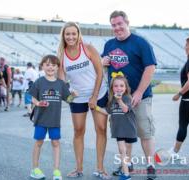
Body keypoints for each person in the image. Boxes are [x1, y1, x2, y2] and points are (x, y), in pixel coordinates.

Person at [102, 11, 157, 179]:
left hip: (139, 96)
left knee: (144, 131)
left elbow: (150, 68)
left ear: (127, 23)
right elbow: (105, 68)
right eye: (113, 25)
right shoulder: (109, 44)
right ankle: (127, 164)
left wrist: (139, 91)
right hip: (119, 98)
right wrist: (102, 61)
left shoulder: (141, 43)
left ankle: (150, 165)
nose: (117, 28)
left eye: (119, 24)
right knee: (125, 132)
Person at [57, 22, 110, 179]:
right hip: (78, 98)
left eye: (74, 33)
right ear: (64, 36)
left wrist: (93, 97)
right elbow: (62, 83)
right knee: (78, 131)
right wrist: (69, 96)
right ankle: (78, 168)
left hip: (98, 94)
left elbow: (100, 72)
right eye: (68, 34)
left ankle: (100, 169)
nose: (71, 37)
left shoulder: (88, 48)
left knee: (101, 129)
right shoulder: (62, 55)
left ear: (78, 34)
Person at [29, 55, 76, 180]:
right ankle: (35, 169)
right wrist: (38, 103)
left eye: (53, 65)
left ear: (57, 68)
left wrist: (74, 95)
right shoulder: (39, 81)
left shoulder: (61, 84)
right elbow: (32, 97)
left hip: (55, 121)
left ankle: (56, 171)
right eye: (48, 64)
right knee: (38, 142)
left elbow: (69, 100)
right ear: (42, 66)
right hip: (40, 119)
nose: (50, 67)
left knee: (55, 143)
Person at [97, 72, 137, 180]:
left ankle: (126, 168)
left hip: (129, 129)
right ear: (112, 88)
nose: (118, 88)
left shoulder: (127, 97)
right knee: (122, 150)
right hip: (119, 130)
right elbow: (107, 111)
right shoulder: (112, 100)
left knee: (126, 151)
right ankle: (126, 174)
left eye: (121, 86)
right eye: (116, 86)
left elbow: (125, 109)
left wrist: (119, 100)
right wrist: (95, 107)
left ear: (125, 87)